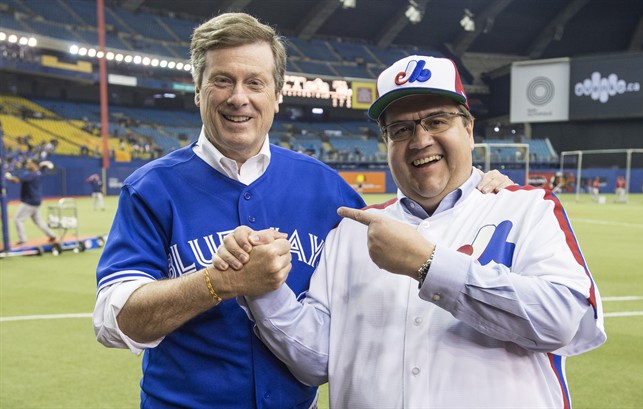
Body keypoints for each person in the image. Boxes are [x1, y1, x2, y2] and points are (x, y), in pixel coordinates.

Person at [92, 14, 512, 409]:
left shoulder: (326, 188)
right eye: (223, 80)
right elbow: (114, 322)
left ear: (277, 94)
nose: (239, 98)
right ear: (199, 89)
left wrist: (476, 188)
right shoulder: (150, 189)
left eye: (255, 82)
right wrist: (216, 283)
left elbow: (407, 247)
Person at [222, 55, 606, 408]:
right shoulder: (353, 232)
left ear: (468, 128)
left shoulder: (526, 207)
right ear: (386, 143)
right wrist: (265, 291)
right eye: (401, 129)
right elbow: (318, 361)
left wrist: (429, 264)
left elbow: (562, 320)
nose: (420, 140)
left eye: (437, 121)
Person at [5, 158, 57, 246]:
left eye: (30, 163)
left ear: (35, 165)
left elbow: (16, 180)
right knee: (38, 220)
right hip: (36, 200)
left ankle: (23, 241)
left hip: (29, 201)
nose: (28, 165)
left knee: (18, 219)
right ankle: (52, 235)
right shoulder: (40, 173)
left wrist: (7, 177)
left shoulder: (30, 174)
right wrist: (44, 164)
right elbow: (46, 166)